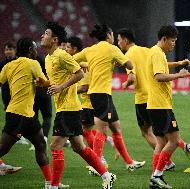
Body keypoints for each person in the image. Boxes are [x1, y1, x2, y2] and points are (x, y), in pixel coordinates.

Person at [39, 22, 116, 189]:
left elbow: (80, 73)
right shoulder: (48, 58)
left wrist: (60, 87)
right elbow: (55, 81)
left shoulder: (61, 55)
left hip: (69, 108)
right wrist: (44, 83)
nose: (42, 36)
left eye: (46, 33)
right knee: (79, 147)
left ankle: (53, 186)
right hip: (65, 108)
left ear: (55, 39)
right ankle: (107, 175)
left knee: (55, 145)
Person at [117, 28, 190, 171]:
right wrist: (178, 63)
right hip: (155, 96)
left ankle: (165, 164)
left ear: (125, 40)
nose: (118, 43)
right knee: (162, 133)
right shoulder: (146, 50)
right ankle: (161, 169)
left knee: (149, 132)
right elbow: (161, 66)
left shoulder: (129, 55)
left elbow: (133, 77)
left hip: (144, 98)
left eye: (119, 40)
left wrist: (125, 84)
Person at [73, 24, 145, 172]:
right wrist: (125, 63)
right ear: (108, 35)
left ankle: (129, 162)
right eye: (112, 35)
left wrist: (85, 63)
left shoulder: (90, 49)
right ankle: (96, 164)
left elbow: (71, 60)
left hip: (100, 94)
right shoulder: (112, 49)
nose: (114, 38)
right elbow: (129, 63)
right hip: (102, 94)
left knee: (116, 127)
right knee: (102, 130)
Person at [0, 37, 52, 188]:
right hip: (18, 115)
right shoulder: (33, 63)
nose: (36, 50)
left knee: (40, 144)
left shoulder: (9, 66)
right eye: (35, 48)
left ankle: (50, 184)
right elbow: (45, 82)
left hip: (29, 115)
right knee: (3, 148)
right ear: (30, 50)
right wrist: (54, 82)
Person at [145, 25, 190, 189]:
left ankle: (154, 178)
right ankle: (157, 175)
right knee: (174, 140)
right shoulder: (157, 53)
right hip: (160, 105)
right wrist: (179, 74)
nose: (173, 44)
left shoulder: (156, 52)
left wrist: (178, 63)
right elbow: (159, 76)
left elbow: (163, 65)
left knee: (161, 142)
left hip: (155, 104)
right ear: (164, 39)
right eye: (172, 41)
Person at [66, 36, 119, 171]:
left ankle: (98, 159)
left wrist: (66, 89)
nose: (65, 49)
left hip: (89, 103)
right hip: (90, 101)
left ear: (75, 49)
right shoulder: (79, 64)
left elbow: (85, 87)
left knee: (86, 130)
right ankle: (99, 157)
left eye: (67, 47)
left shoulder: (83, 63)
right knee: (88, 130)